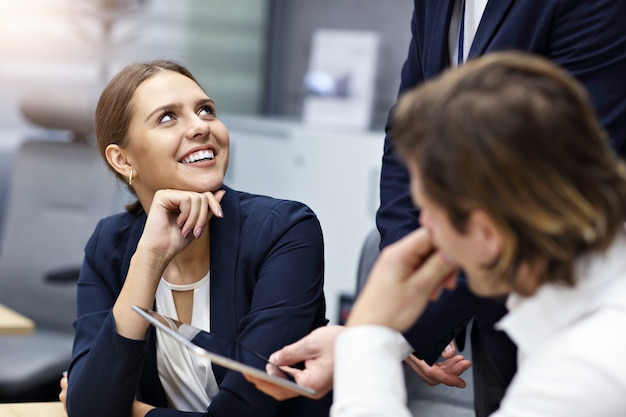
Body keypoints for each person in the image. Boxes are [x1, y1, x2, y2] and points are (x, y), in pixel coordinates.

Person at [333, 51, 626, 416]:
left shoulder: (585, 370)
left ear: (487, 233)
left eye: (429, 212)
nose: (422, 226)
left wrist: (367, 332)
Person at [62, 59, 332, 417]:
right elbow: (90, 409)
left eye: (205, 110)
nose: (200, 127)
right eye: (167, 117)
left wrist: (135, 412)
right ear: (123, 160)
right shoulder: (108, 245)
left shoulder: (284, 231)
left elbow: (246, 410)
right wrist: (149, 259)